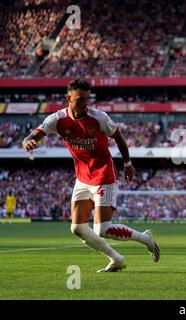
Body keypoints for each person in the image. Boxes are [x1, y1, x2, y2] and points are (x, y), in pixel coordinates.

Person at [22, 79, 160, 272]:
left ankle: (145, 238)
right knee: (77, 228)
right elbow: (32, 136)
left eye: (87, 99)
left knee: (102, 229)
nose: (84, 104)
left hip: (104, 175)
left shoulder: (99, 117)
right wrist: (27, 142)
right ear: (68, 99)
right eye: (80, 100)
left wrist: (128, 164)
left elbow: (119, 138)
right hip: (82, 178)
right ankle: (117, 259)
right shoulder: (57, 119)